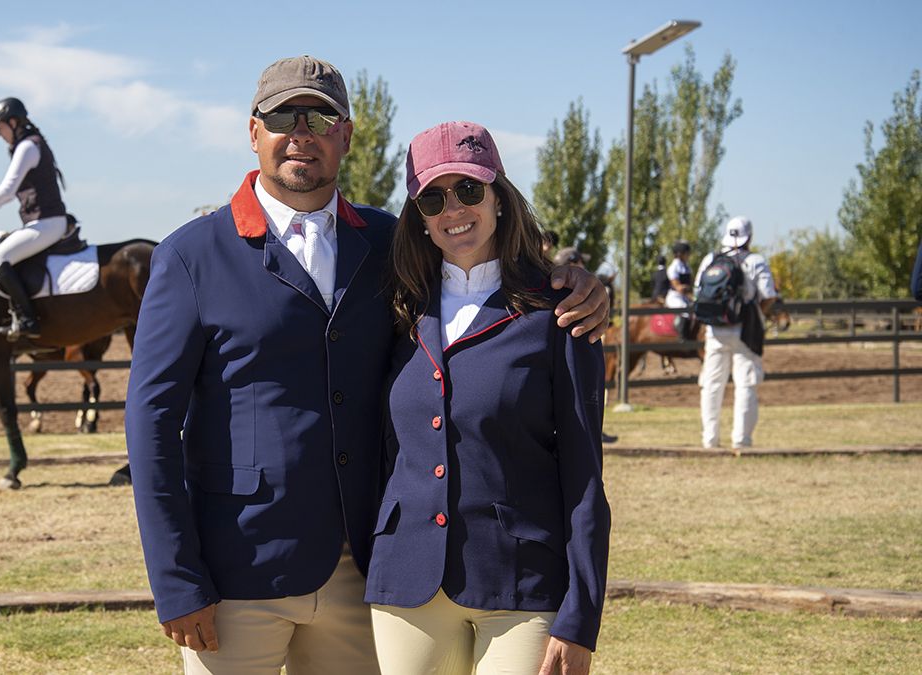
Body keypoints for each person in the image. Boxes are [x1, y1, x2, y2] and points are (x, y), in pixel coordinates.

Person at [124, 56, 611, 675]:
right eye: (283, 118)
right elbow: (151, 425)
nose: (301, 134)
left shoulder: (390, 245)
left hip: (366, 578)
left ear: (347, 136)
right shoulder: (189, 256)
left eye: (320, 118)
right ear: (253, 132)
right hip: (237, 569)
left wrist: (575, 284)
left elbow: (483, 275)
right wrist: (175, 578)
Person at [366, 121, 609, 675]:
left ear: (499, 196)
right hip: (406, 584)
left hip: (522, 584)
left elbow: (585, 477)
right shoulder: (397, 311)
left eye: (469, 189)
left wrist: (582, 613)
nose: (453, 209)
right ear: (419, 218)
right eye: (433, 198)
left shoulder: (561, 313)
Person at [0, 97, 68, 341]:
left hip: (48, 222)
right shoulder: (29, 145)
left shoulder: (27, 147)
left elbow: (8, 190)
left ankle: (28, 320)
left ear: (13, 122)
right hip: (41, 222)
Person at [695, 216, 778, 449]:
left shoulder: (710, 259)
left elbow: (698, 292)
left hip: (715, 330)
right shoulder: (756, 261)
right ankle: (741, 439)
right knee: (745, 383)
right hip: (745, 331)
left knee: (711, 385)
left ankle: (710, 438)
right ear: (749, 237)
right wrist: (758, 314)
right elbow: (768, 295)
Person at [664, 240, 693, 310]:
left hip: (685, 297)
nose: (689, 255)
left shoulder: (687, 267)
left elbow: (691, 284)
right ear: (680, 254)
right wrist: (688, 289)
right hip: (675, 297)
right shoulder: (673, 268)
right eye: (687, 253)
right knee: (684, 309)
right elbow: (679, 288)